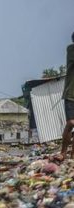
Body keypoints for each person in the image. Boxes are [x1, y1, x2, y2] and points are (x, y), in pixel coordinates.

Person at [60, 32, 74, 160]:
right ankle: (63, 152)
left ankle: (73, 155)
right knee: (71, 123)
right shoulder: (71, 49)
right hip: (71, 94)